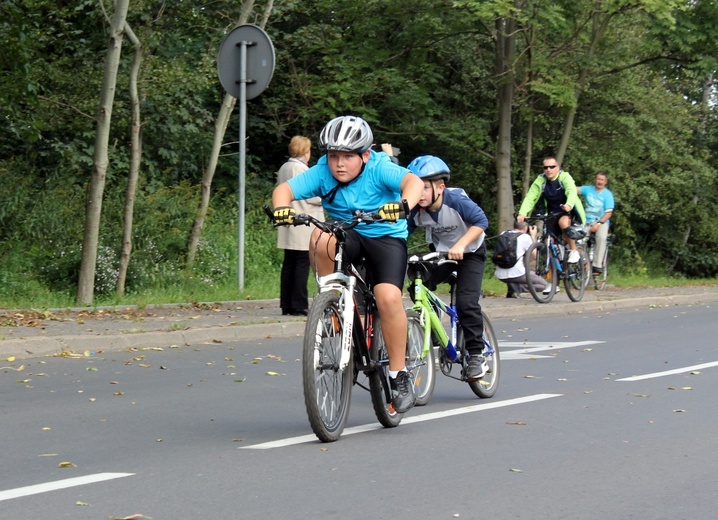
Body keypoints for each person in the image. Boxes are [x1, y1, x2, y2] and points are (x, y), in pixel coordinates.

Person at [271, 115, 424, 413]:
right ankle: (333, 301)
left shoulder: (380, 167)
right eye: (333, 157)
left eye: (348, 157)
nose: (339, 164)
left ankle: (398, 374)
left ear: (365, 155)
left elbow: (412, 182)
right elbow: (285, 191)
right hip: (348, 233)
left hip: (385, 236)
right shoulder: (322, 173)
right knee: (319, 237)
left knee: (388, 297)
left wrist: (403, 204)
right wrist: (281, 209)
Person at [406, 155, 489, 381]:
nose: (418, 194)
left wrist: (461, 244)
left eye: (423, 188)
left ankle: (475, 355)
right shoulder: (415, 209)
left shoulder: (456, 201)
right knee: (417, 285)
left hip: (470, 253)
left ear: (440, 187)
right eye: (414, 187)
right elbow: (401, 234)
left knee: (466, 303)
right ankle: (433, 330)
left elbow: (482, 222)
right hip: (442, 253)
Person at [276, 136, 324, 316]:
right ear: (305, 151)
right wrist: (325, 196)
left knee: (289, 263)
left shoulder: (285, 167)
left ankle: (286, 303)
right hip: (303, 220)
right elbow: (310, 195)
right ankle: (299, 304)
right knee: (302, 263)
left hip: (289, 220)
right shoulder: (301, 168)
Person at [517, 156, 586, 263]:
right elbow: (530, 197)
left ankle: (573, 251)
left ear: (557, 168)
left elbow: (571, 191)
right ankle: (553, 272)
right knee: (549, 241)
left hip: (567, 211)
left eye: (552, 167)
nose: (548, 170)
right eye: (546, 167)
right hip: (551, 213)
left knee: (563, 223)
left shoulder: (565, 177)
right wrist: (522, 213)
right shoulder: (541, 180)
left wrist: (568, 205)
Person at [493, 220, 547, 297]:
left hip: (500, 274)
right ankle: (518, 288)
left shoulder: (504, 234)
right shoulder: (525, 237)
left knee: (522, 277)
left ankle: (513, 286)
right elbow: (535, 256)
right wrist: (533, 236)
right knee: (546, 286)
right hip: (518, 274)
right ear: (525, 228)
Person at [578, 171, 614, 274]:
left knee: (601, 238)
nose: (600, 182)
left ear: (605, 182)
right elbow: (574, 189)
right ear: (595, 180)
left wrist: (599, 224)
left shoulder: (608, 195)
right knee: (578, 238)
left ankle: (597, 265)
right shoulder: (588, 189)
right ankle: (583, 262)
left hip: (601, 221)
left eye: (602, 180)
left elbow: (608, 213)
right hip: (587, 221)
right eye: (598, 179)